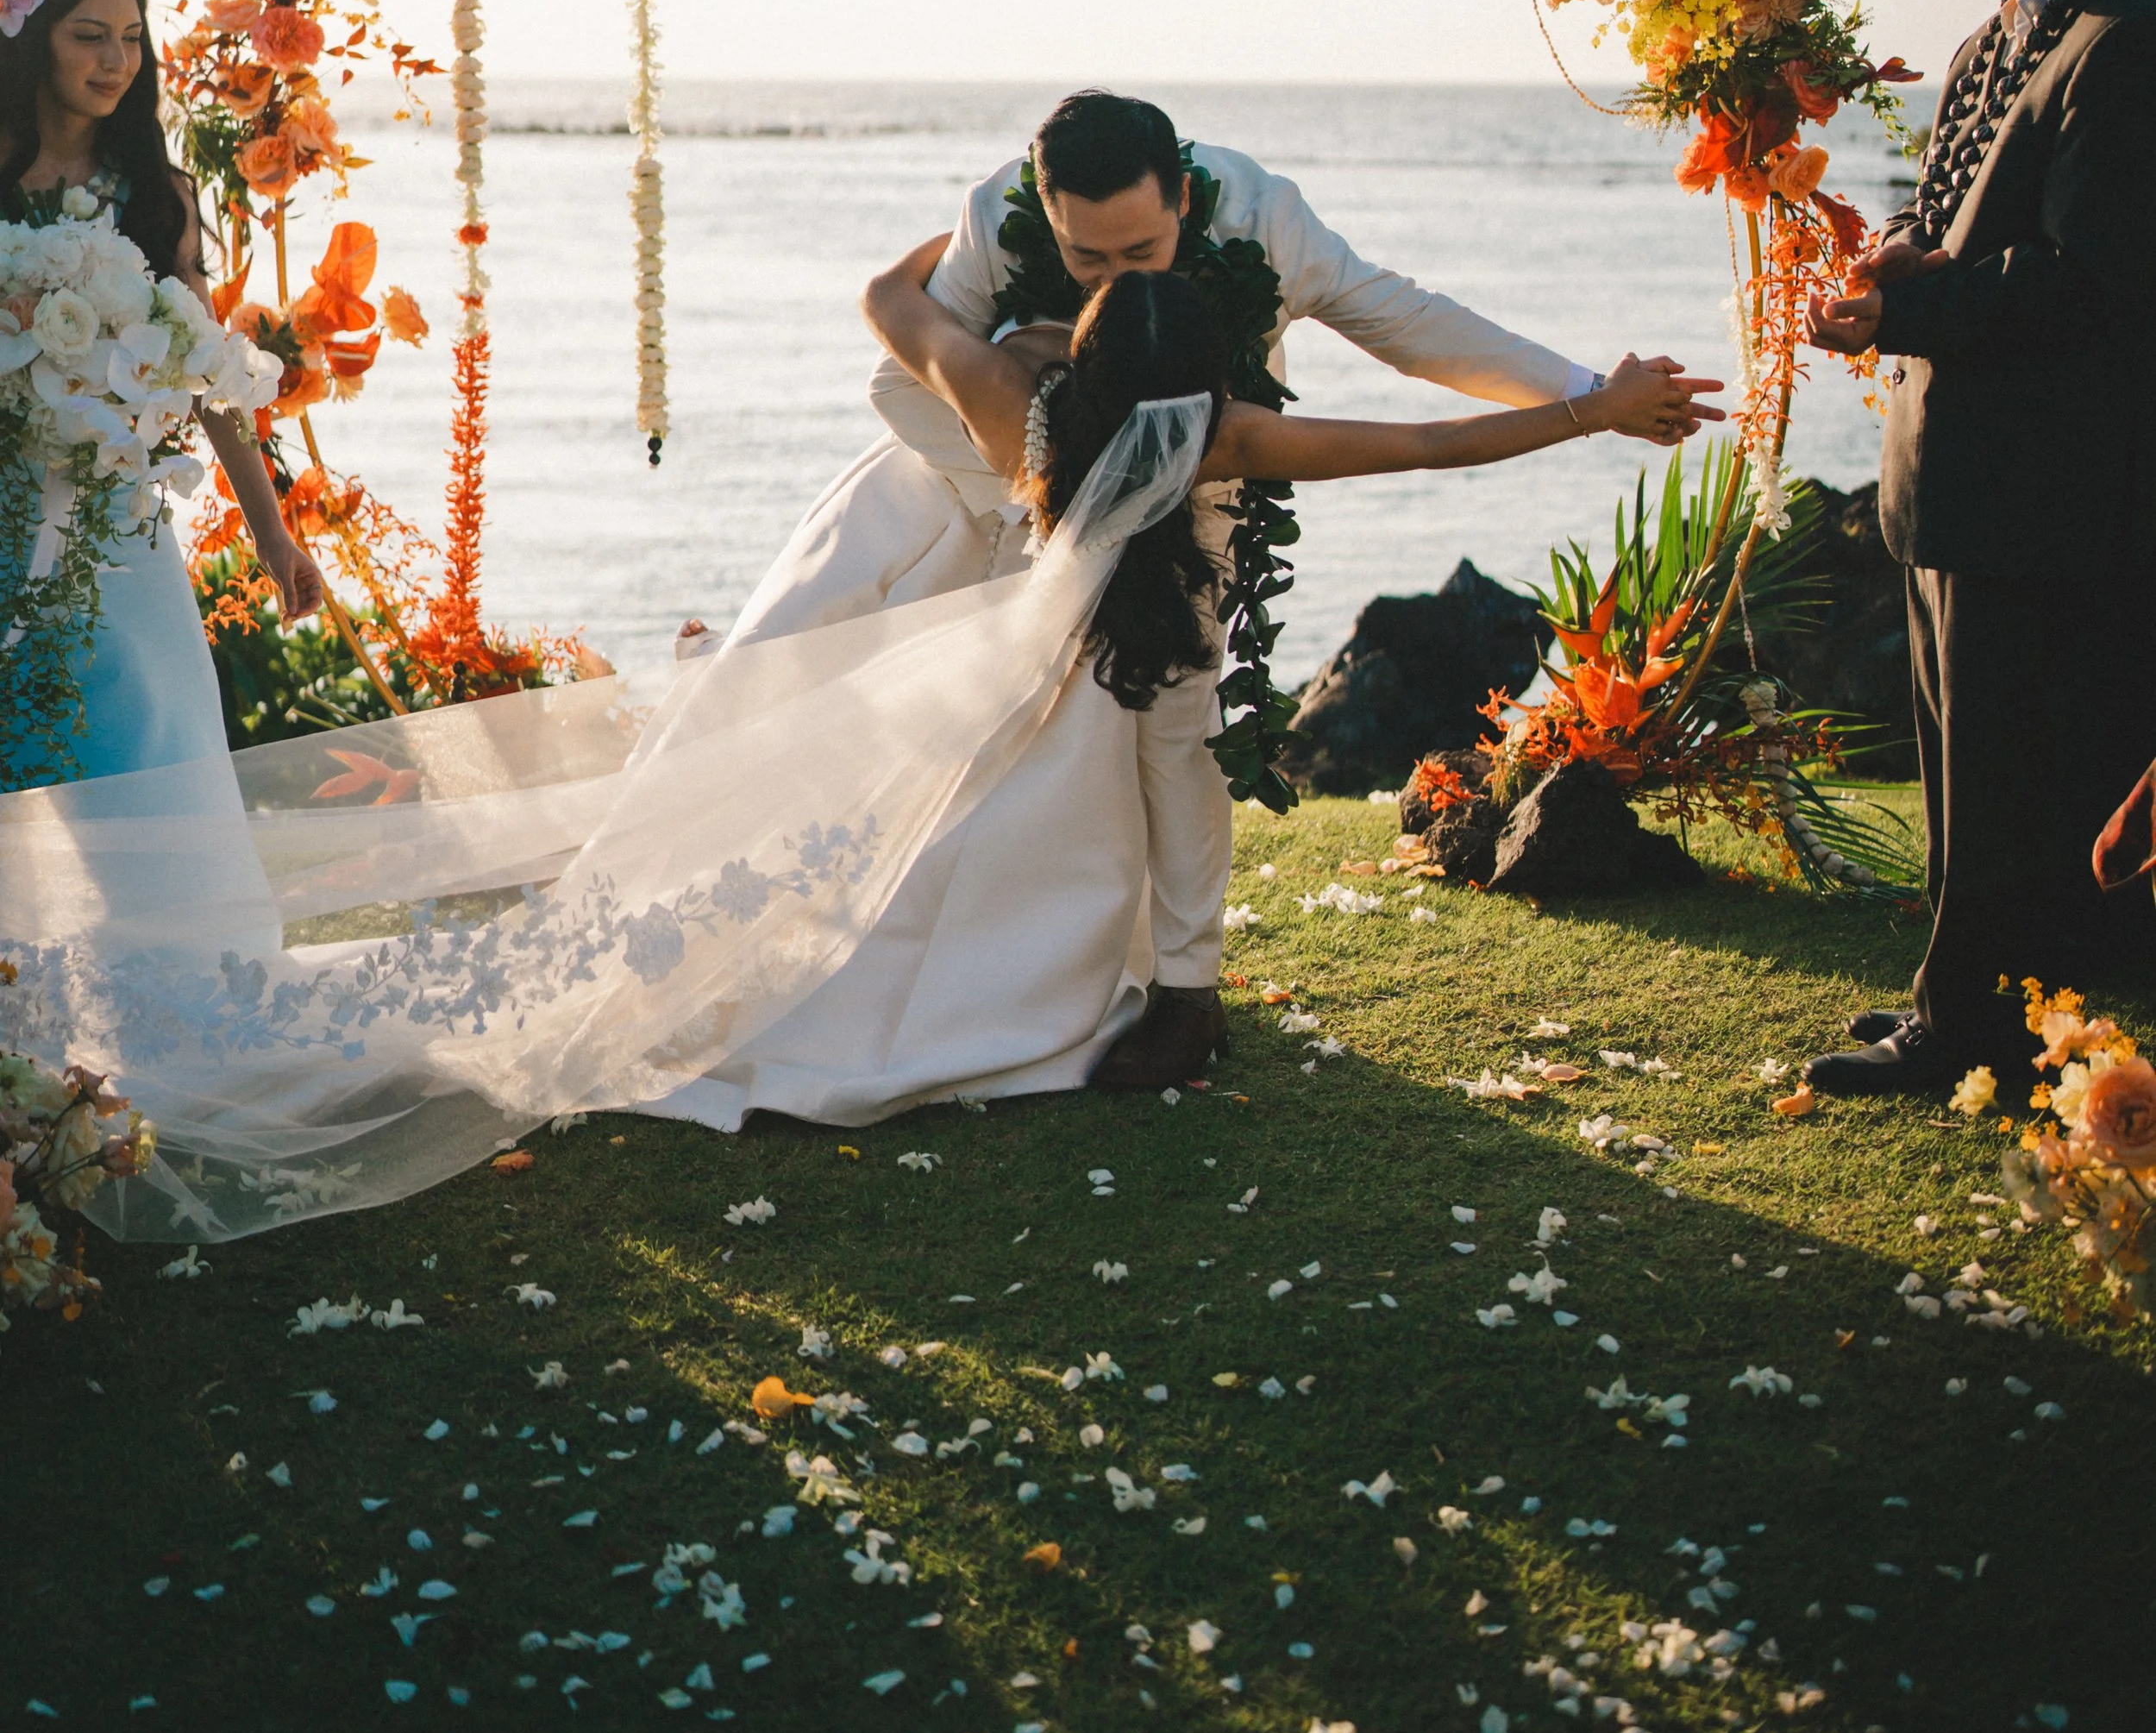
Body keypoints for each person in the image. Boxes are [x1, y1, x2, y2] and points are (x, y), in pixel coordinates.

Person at [1, 243, 1714, 1240]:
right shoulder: (1222, 434)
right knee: (976, 910)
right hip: (1066, 738)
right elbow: (1411, 453)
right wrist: (1591, 411)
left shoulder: (1021, 410)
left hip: (978, 692)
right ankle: (955, 1024)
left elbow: (894, 301)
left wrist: (974, 253)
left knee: (863, 877)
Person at [723, 88, 1707, 1091]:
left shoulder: (1253, 266)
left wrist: (1589, 391)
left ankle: (1181, 993)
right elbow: (900, 384)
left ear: (1184, 200)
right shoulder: (1017, 251)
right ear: (1046, 214)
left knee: (1174, 733)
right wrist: (1044, 502)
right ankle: (959, 941)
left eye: (1138, 253)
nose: (1110, 274)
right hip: (1013, 490)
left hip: (1178, 497)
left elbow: (1408, 327)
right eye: (1085, 260)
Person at [1805, 0, 2156, 1097]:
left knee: (2016, 779)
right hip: (1949, 475)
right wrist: (1881, 270)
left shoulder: (2125, 43)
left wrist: (1916, 310)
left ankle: (1987, 1035)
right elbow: (1938, 210)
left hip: (2040, 490)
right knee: (1959, 766)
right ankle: (1959, 1014)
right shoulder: (1993, 34)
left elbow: (2093, 281)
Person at [1, 0, 323, 788]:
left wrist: (270, 531)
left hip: (117, 519)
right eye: (89, 35)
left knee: (150, 750)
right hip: (4, 510)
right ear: (34, 37)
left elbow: (209, 377)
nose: (115, 60)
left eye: (132, 37)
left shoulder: (155, 193)